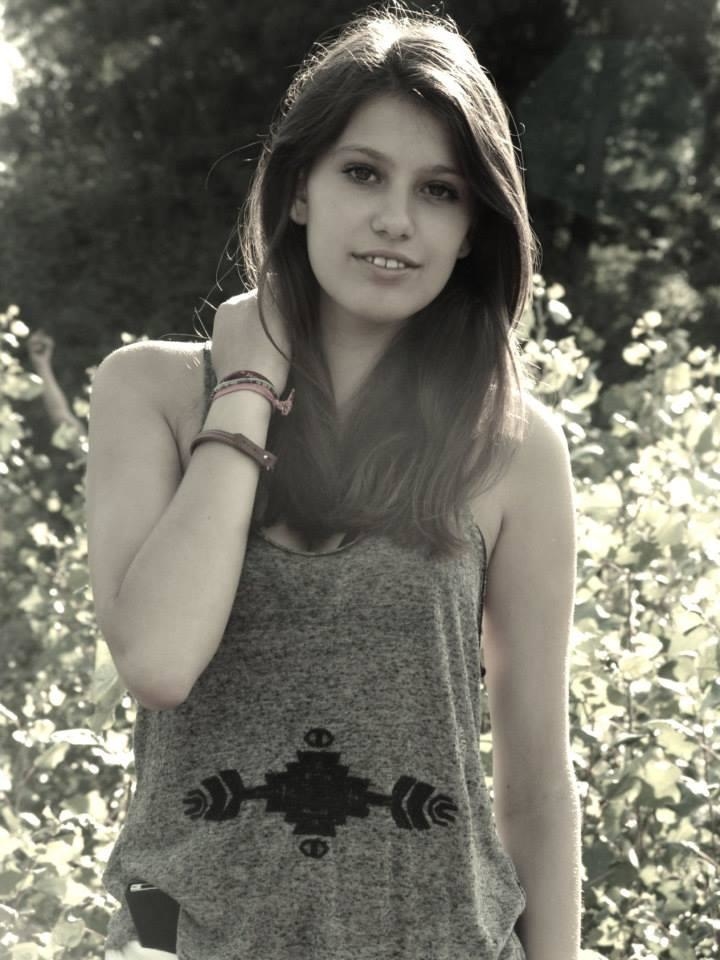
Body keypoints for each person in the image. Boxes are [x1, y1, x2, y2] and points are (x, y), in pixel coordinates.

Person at [85, 3, 582, 959]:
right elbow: (157, 661)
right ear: (299, 189)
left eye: (439, 190)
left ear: (473, 228)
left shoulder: (515, 450)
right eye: (362, 173)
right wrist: (246, 387)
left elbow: (533, 782)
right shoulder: (150, 393)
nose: (396, 218)